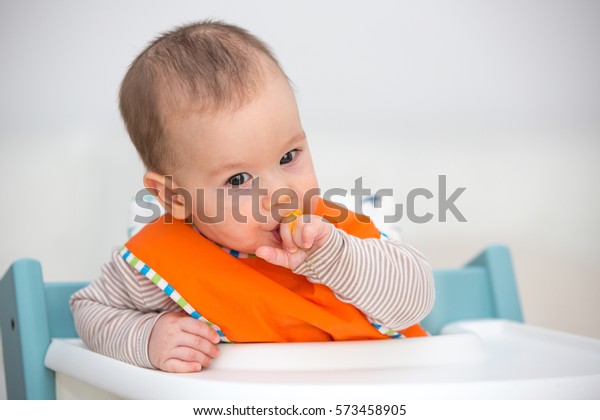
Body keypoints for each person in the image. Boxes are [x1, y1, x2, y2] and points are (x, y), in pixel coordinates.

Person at [70, 20, 435, 373]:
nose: (280, 195)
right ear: (173, 196)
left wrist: (337, 260)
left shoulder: (334, 234)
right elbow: (88, 309)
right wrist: (146, 338)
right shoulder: (162, 263)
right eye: (239, 179)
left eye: (289, 157)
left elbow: (415, 301)